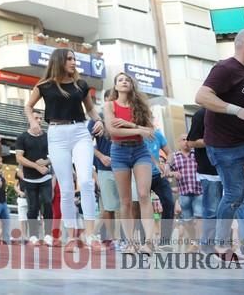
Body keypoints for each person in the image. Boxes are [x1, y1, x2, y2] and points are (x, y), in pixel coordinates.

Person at [24, 48, 103, 248]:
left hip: (80, 132)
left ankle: (91, 236)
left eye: (74, 58)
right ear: (59, 61)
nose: (73, 62)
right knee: (66, 189)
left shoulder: (81, 84)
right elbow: (28, 106)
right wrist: (33, 121)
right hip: (56, 134)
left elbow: (90, 109)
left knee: (85, 183)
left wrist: (99, 120)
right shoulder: (44, 85)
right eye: (69, 59)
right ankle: (72, 238)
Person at [194, 28, 244, 257]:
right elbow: (201, 97)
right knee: (234, 194)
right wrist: (237, 110)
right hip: (226, 146)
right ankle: (220, 244)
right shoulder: (225, 68)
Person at [104, 72, 156, 253]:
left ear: (132, 85)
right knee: (125, 201)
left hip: (140, 150)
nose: (124, 82)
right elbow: (112, 131)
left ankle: (148, 242)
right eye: (120, 80)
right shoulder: (109, 105)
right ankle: (131, 243)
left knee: (143, 195)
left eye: (127, 80)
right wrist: (139, 129)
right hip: (119, 151)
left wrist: (132, 126)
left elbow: (150, 131)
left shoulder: (140, 106)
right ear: (115, 86)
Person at [186, 107, 222, 252]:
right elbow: (191, 142)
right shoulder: (201, 114)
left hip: (232, 167)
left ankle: (227, 243)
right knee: (212, 209)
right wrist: (216, 140)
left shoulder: (233, 111)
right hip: (210, 171)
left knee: (237, 209)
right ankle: (207, 245)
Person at [14, 126, 54, 245]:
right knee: (33, 207)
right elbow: (19, 158)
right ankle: (33, 235)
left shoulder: (47, 137)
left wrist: (46, 162)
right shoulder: (22, 137)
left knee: (47, 203)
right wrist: (36, 166)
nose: (38, 121)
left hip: (45, 177)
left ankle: (47, 234)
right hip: (29, 179)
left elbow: (56, 153)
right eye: (35, 118)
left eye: (39, 118)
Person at [88, 97, 119, 247]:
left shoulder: (124, 116)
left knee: (128, 204)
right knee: (108, 207)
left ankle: (124, 239)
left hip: (125, 166)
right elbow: (86, 143)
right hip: (104, 169)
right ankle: (111, 239)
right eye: (110, 99)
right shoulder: (96, 120)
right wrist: (101, 157)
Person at [171, 134, 202, 250]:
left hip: (198, 190)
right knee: (187, 220)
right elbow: (166, 171)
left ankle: (198, 242)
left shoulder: (197, 154)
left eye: (188, 139)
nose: (186, 142)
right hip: (184, 192)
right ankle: (194, 240)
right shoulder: (174, 156)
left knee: (200, 216)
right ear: (179, 142)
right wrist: (172, 173)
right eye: (183, 139)